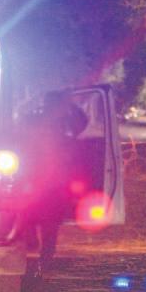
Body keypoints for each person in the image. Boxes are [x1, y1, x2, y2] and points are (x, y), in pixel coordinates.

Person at [23, 91, 88, 277]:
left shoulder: (65, 122)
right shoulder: (42, 120)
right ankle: (40, 256)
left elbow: (82, 122)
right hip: (41, 179)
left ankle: (43, 261)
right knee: (37, 220)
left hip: (50, 181)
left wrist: (69, 105)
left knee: (46, 223)